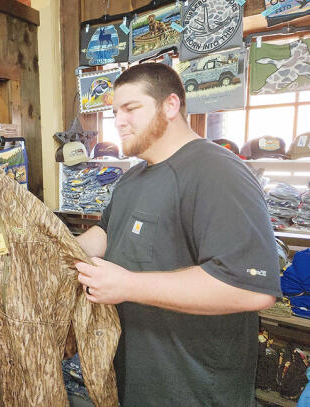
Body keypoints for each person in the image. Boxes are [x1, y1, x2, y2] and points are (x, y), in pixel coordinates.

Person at [75, 63, 281, 407]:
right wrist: (50, 246)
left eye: (131, 109)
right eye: (114, 112)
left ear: (170, 106)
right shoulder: (131, 179)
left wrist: (127, 285)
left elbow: (249, 290)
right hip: (136, 378)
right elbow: (108, 234)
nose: (119, 121)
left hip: (196, 388)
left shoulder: (219, 172)